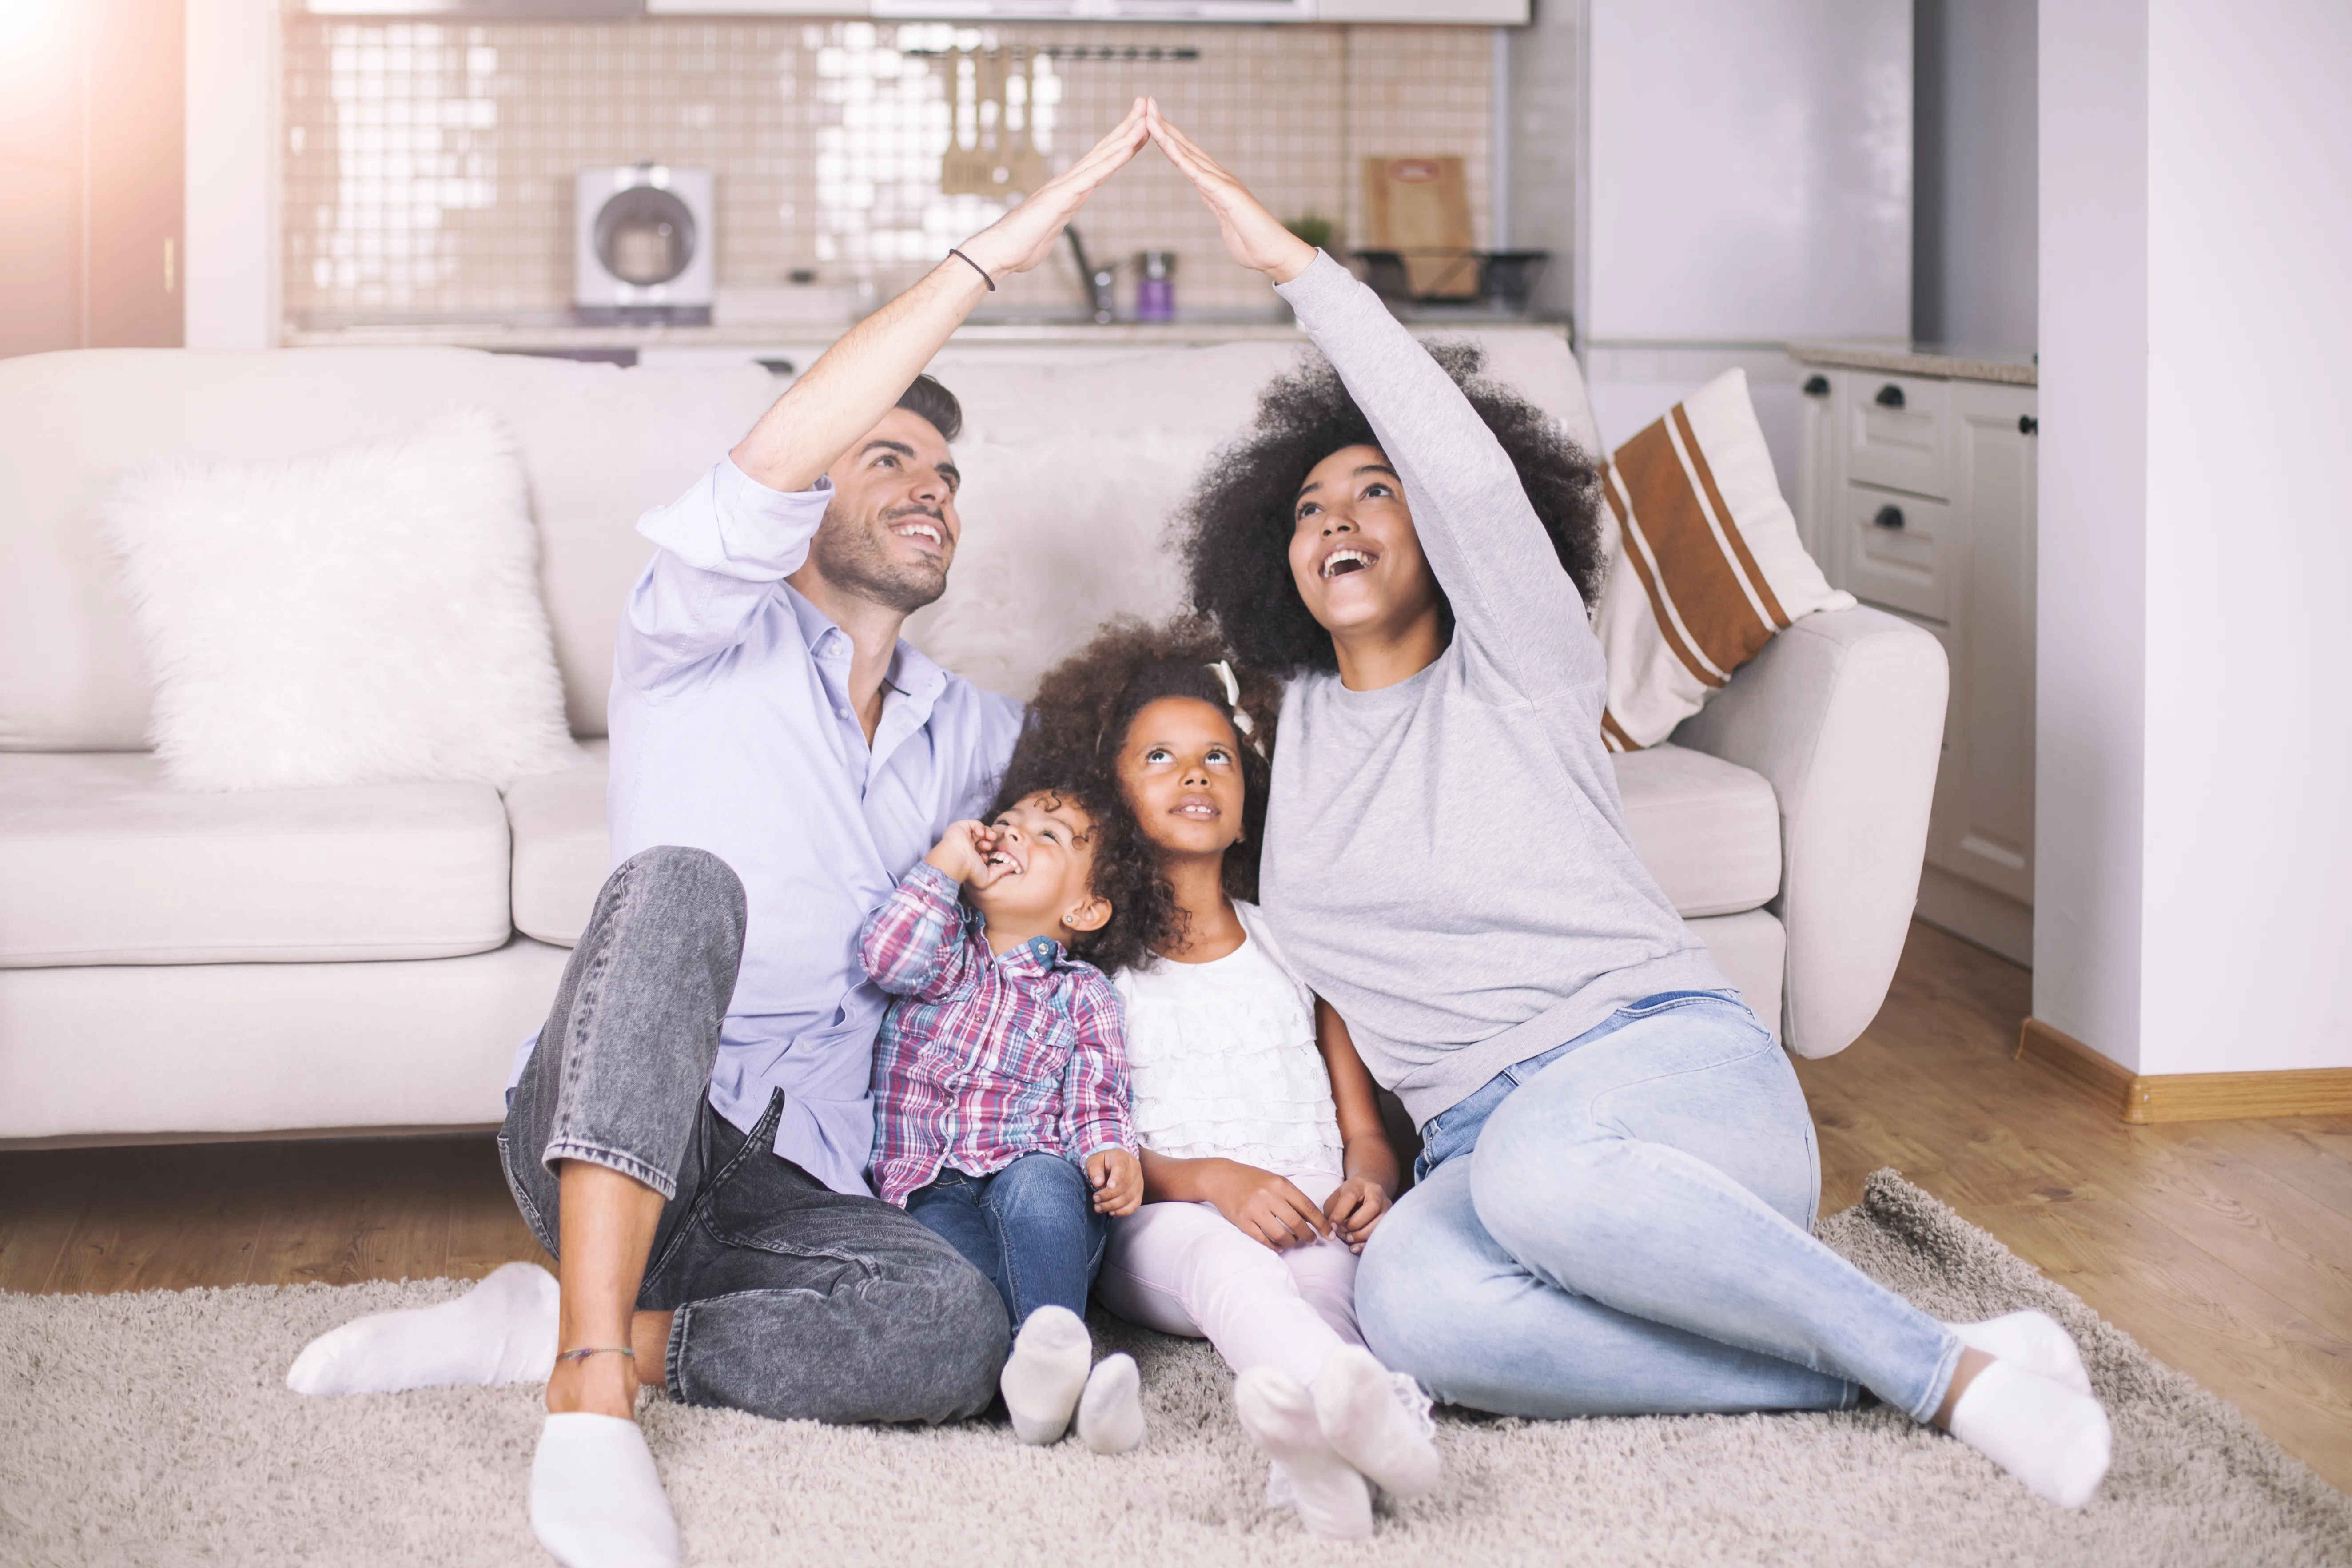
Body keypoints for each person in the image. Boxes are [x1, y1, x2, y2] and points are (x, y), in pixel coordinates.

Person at [1149, 101, 2115, 1512]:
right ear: (1272, 555)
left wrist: (1302, 273)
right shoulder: (1290, 748)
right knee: (1419, 1315)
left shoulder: (1521, 667)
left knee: (1546, 1184)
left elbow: (1465, 468)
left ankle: (1951, 1387)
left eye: (1376, 489)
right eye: (1306, 507)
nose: (1337, 517)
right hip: (1479, 1142)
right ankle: (1906, 1358)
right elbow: (1328, 985)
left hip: (1663, 1077)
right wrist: (1367, 1151)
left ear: (1442, 530)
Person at [283, 99, 1161, 1568]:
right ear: (809, 493)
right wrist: (1004, 248)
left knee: (959, 1330)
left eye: (944, 478)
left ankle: (583, 1330)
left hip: (803, 1188)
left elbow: (1148, 811)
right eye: (886, 461)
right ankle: (586, 1405)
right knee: (687, 884)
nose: (928, 492)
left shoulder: (984, 742)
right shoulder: (690, 635)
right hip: (618, 1127)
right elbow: (779, 452)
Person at [1006, 617, 1440, 1541]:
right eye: (1159, 756)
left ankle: (1313, 1463)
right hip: (1163, 1227)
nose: (1194, 773)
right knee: (1228, 1264)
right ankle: (1368, 1414)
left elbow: (1362, 1124)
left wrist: (1370, 1179)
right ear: (1112, 796)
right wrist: (1213, 1181)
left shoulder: (1298, 942)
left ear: (1249, 801)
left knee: (1333, 1296)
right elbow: (1091, 1144)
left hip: (1311, 1210)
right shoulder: (1095, 967)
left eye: (1217, 758)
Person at [859, 788, 1149, 1453]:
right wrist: (946, 862)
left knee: (1045, 1188)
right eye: (1006, 823)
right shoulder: (944, 952)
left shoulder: (1080, 991)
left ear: (1084, 907)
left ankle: (1057, 1362)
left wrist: (1111, 1147)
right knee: (964, 1286)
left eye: (1046, 837)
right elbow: (885, 957)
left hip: (1029, 1163)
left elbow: (1096, 1089)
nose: (1012, 834)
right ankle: (1054, 1391)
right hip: (926, 1183)